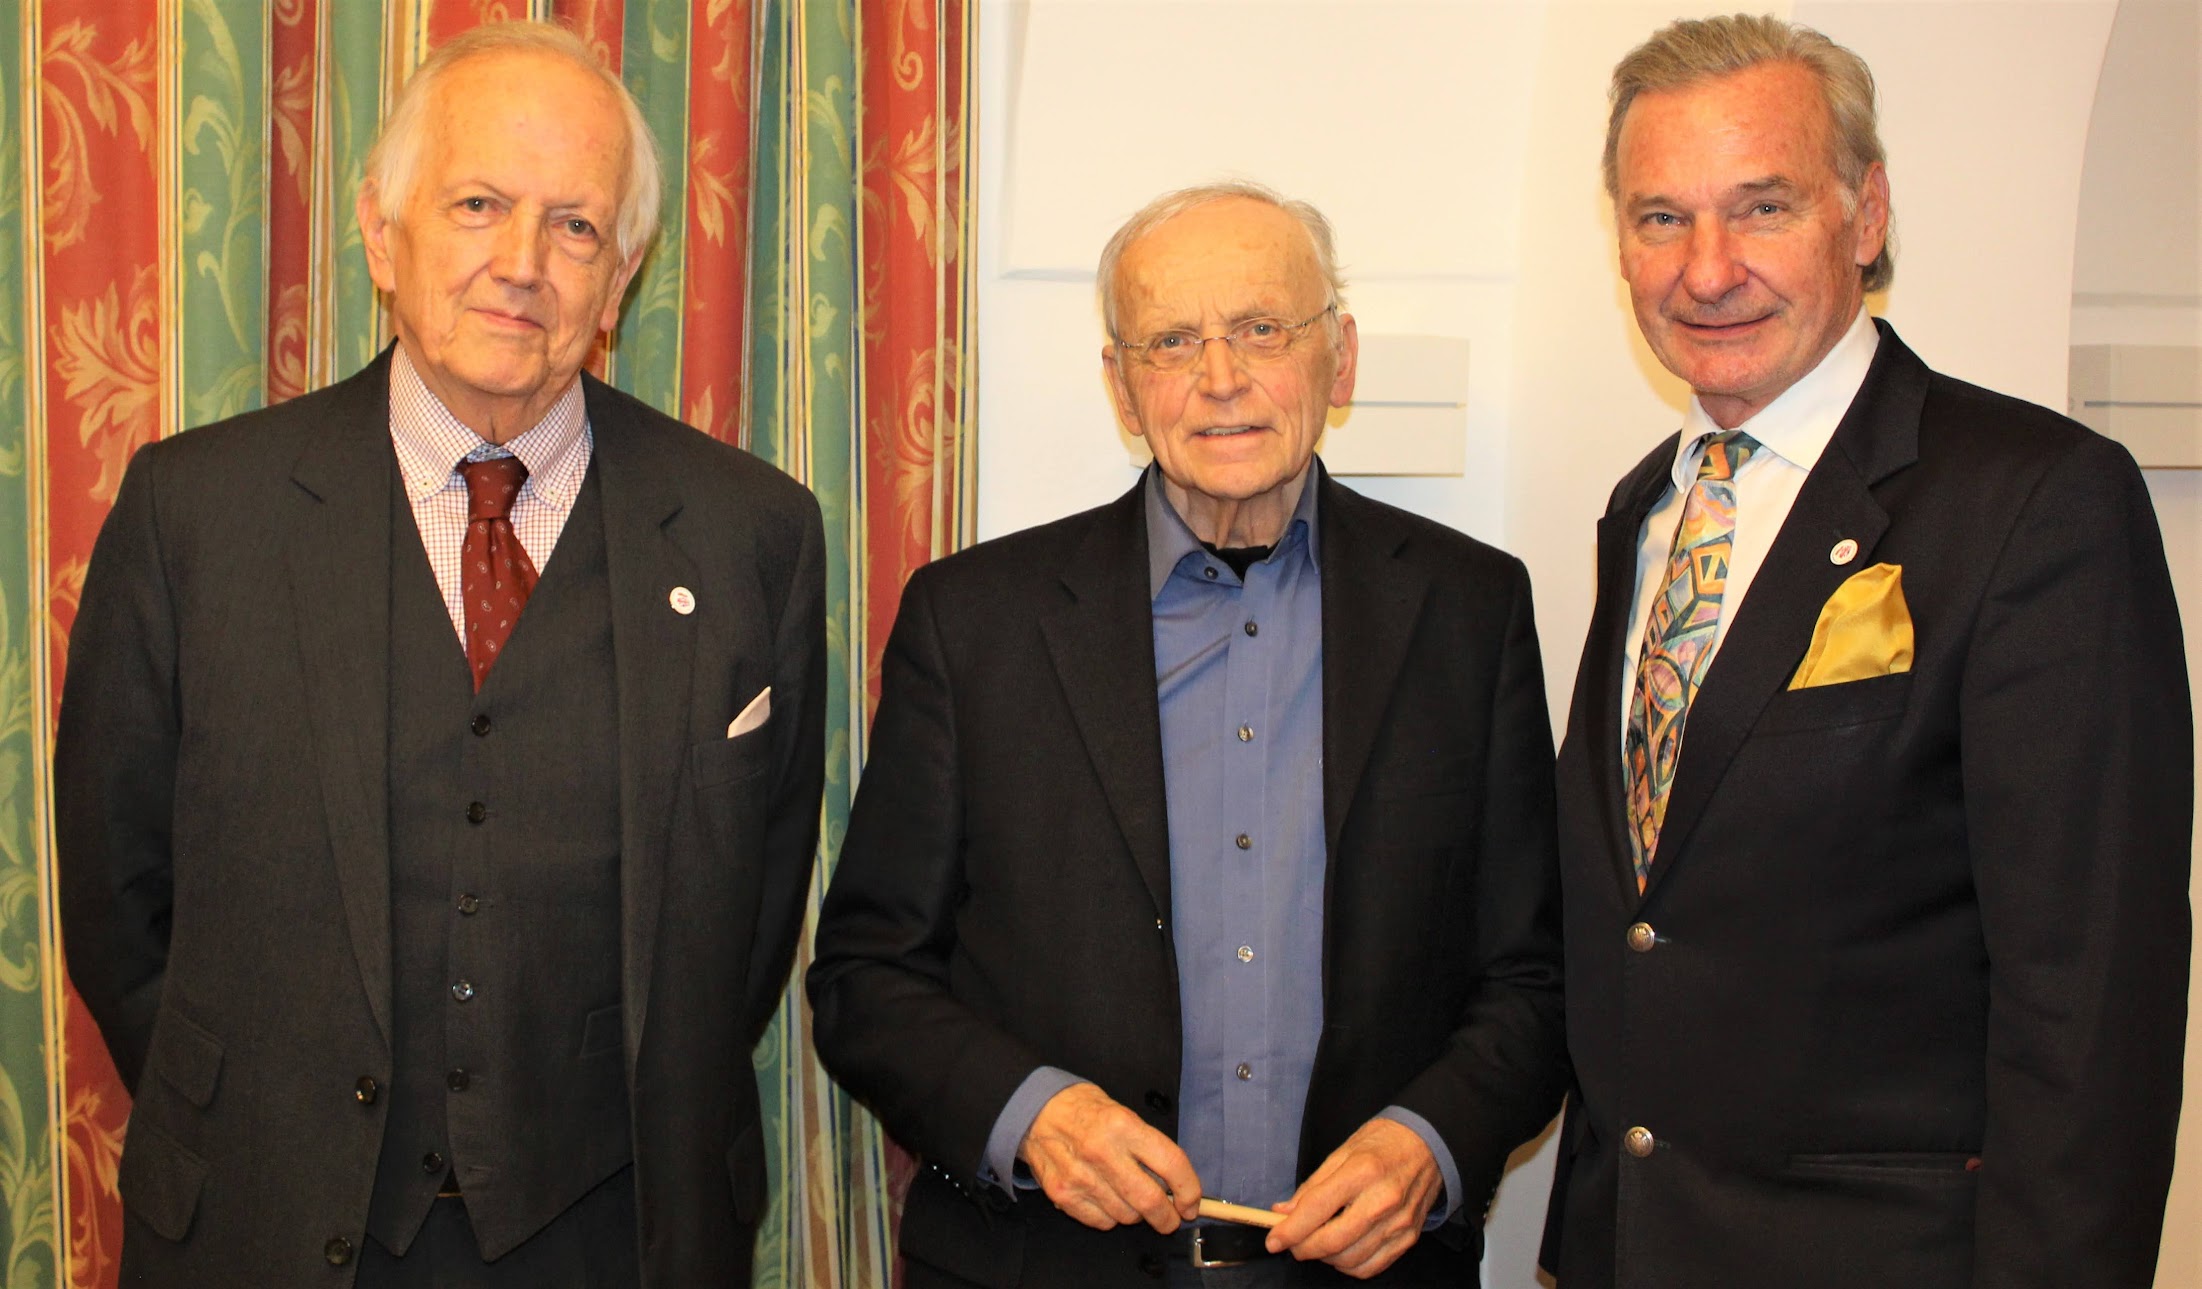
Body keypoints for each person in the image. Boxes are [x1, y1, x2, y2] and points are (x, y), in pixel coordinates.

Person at [55, 21, 824, 1287]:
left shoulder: (755, 534)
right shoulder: (193, 512)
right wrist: (266, 1115)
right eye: (478, 204)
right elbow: (118, 897)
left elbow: (748, 923)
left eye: (575, 225)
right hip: (266, 1222)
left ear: (621, 279)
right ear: (382, 233)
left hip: (617, 1232)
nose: (521, 263)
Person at [808, 182, 1566, 1287]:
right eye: (1171, 341)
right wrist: (1033, 1115)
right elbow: (866, 977)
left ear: (1340, 357)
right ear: (1123, 386)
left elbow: (1535, 976)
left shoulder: (1470, 611)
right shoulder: (972, 623)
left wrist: (1431, 1143)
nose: (1220, 377)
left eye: (1262, 328)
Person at [1541, 15, 2191, 1287]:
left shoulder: (2033, 502)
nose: (1708, 269)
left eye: (1763, 207)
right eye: (1663, 217)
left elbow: (2090, 999)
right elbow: (1641, 926)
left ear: (1866, 212)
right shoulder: (1646, 510)